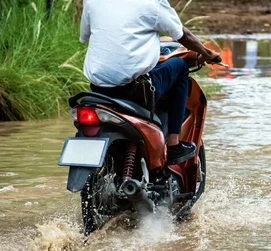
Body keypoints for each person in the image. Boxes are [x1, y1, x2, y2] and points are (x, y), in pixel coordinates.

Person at [79, 0, 220, 165]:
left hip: (98, 90)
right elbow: (183, 35)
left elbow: (85, 36)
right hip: (134, 90)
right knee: (181, 67)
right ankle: (174, 144)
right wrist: (206, 53)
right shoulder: (152, 3)